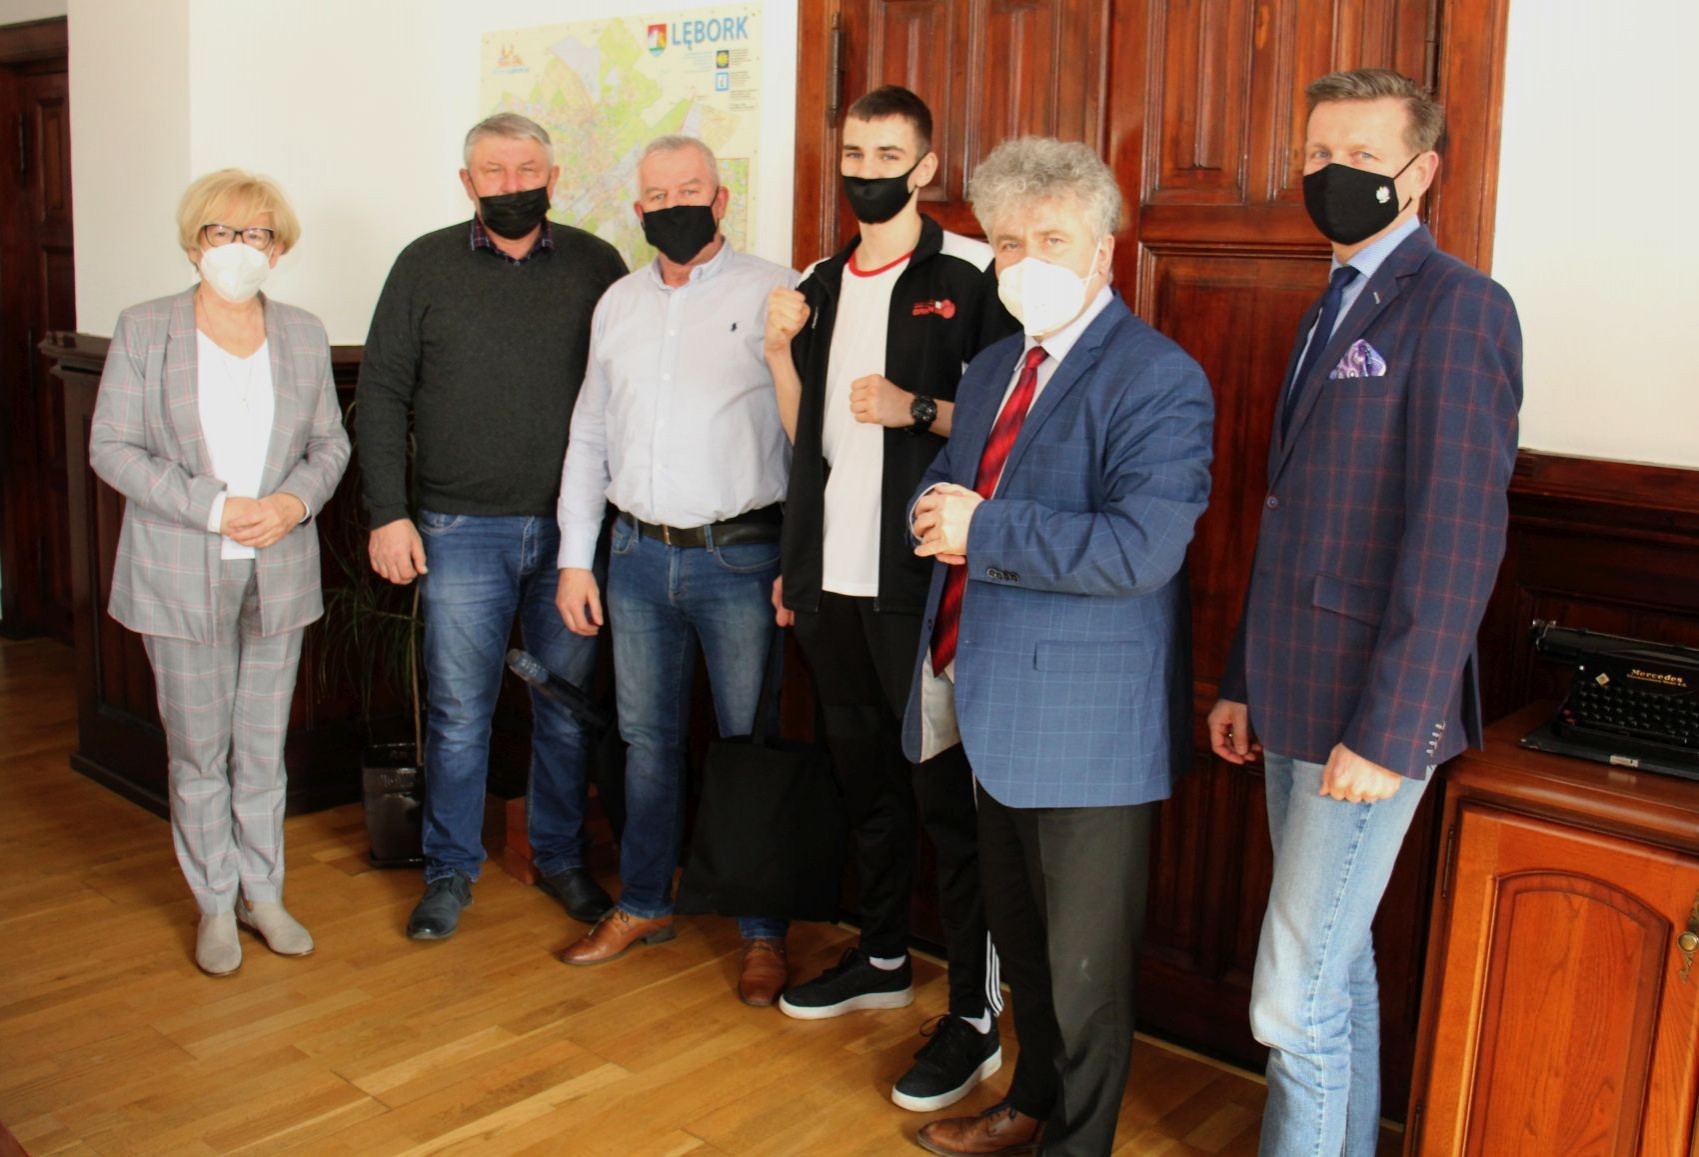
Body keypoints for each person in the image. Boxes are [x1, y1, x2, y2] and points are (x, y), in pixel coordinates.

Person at [1206, 69, 1522, 1157]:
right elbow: (1290, 515)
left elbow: (1457, 535)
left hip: (1371, 712)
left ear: (1419, 172)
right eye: (1316, 153)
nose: (1330, 173)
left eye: (1359, 155)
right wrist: (1242, 677)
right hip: (1291, 687)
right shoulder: (1327, 304)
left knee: (1289, 997)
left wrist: (1390, 730)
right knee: (1332, 971)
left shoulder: (1461, 306)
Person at [905, 138, 1214, 1156]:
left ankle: (1076, 1145)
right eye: (1007, 242)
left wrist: (982, 527)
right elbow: (949, 483)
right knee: (1028, 952)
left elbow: (1139, 550)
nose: (1026, 260)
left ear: (1102, 251)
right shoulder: (995, 364)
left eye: (1051, 238)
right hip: (992, 706)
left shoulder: (1157, 378)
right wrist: (929, 513)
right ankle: (1028, 1105)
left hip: (1089, 727)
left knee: (1085, 977)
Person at [762, 84, 1016, 1112]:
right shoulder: (818, 282)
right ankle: (878, 956)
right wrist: (776, 352)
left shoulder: (974, 274)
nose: (866, 170)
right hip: (832, 579)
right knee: (863, 781)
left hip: (926, 584)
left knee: (945, 805)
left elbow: (1009, 423)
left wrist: (915, 406)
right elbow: (806, 436)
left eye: (886, 154)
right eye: (853, 153)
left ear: (925, 167)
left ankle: (974, 1015)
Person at [357, 113, 628, 940]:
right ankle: (448, 871)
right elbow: (381, 393)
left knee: (565, 707)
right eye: (494, 172)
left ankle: (560, 857)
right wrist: (388, 512)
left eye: (527, 169)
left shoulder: (598, 265)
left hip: (573, 535)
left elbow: (627, 392)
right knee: (457, 710)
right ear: (466, 182)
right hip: (457, 527)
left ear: (554, 176)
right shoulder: (423, 264)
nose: (512, 185)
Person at [554, 135, 800, 1005]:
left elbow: (811, 439)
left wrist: (799, 564)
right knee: (645, 743)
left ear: (721, 199)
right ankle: (645, 901)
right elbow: (589, 432)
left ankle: (762, 930)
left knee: (748, 745)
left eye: (689, 189)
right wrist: (575, 560)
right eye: (656, 196)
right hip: (632, 556)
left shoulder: (779, 291)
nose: (673, 206)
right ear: (638, 210)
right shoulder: (617, 302)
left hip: (742, 557)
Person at [89, 169, 351, 976]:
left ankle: (263, 894)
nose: (240, 247)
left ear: (280, 247)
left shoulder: (303, 332)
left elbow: (330, 444)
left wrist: (292, 503)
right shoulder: (146, 327)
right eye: (222, 232)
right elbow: (111, 447)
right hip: (179, 571)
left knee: (262, 748)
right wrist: (213, 507)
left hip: (279, 569)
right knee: (200, 751)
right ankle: (213, 901)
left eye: (257, 233)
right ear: (194, 242)